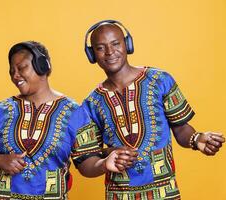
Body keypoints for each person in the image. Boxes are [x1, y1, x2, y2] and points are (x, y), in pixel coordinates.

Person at [78, 20, 225, 200]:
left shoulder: (160, 80)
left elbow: (181, 129)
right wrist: (104, 163)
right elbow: (86, 161)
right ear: (92, 55)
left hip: (165, 193)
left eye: (115, 43)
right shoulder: (91, 104)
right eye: (100, 48)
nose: (110, 52)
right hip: (119, 195)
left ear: (127, 44)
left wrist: (196, 139)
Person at [0, 41, 120, 199]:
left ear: (42, 65)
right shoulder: (0, 110)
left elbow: (86, 161)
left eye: (21, 68)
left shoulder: (74, 112)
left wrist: (103, 164)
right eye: (12, 70)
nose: (15, 75)